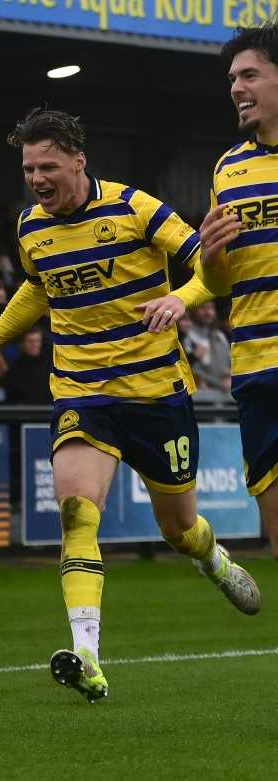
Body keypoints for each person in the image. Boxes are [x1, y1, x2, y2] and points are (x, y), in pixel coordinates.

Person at [0, 107, 261, 703]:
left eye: (48, 167)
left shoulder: (136, 208)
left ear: (79, 162)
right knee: (77, 513)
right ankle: (87, 655)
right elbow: (37, 289)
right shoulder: (31, 227)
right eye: (29, 169)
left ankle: (211, 558)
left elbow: (208, 267)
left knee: (179, 529)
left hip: (157, 393)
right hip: (82, 390)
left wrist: (181, 300)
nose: (36, 179)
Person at [198, 23, 278, 561]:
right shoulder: (228, 169)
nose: (236, 88)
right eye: (232, 79)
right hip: (254, 366)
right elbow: (220, 283)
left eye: (249, 75)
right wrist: (210, 256)